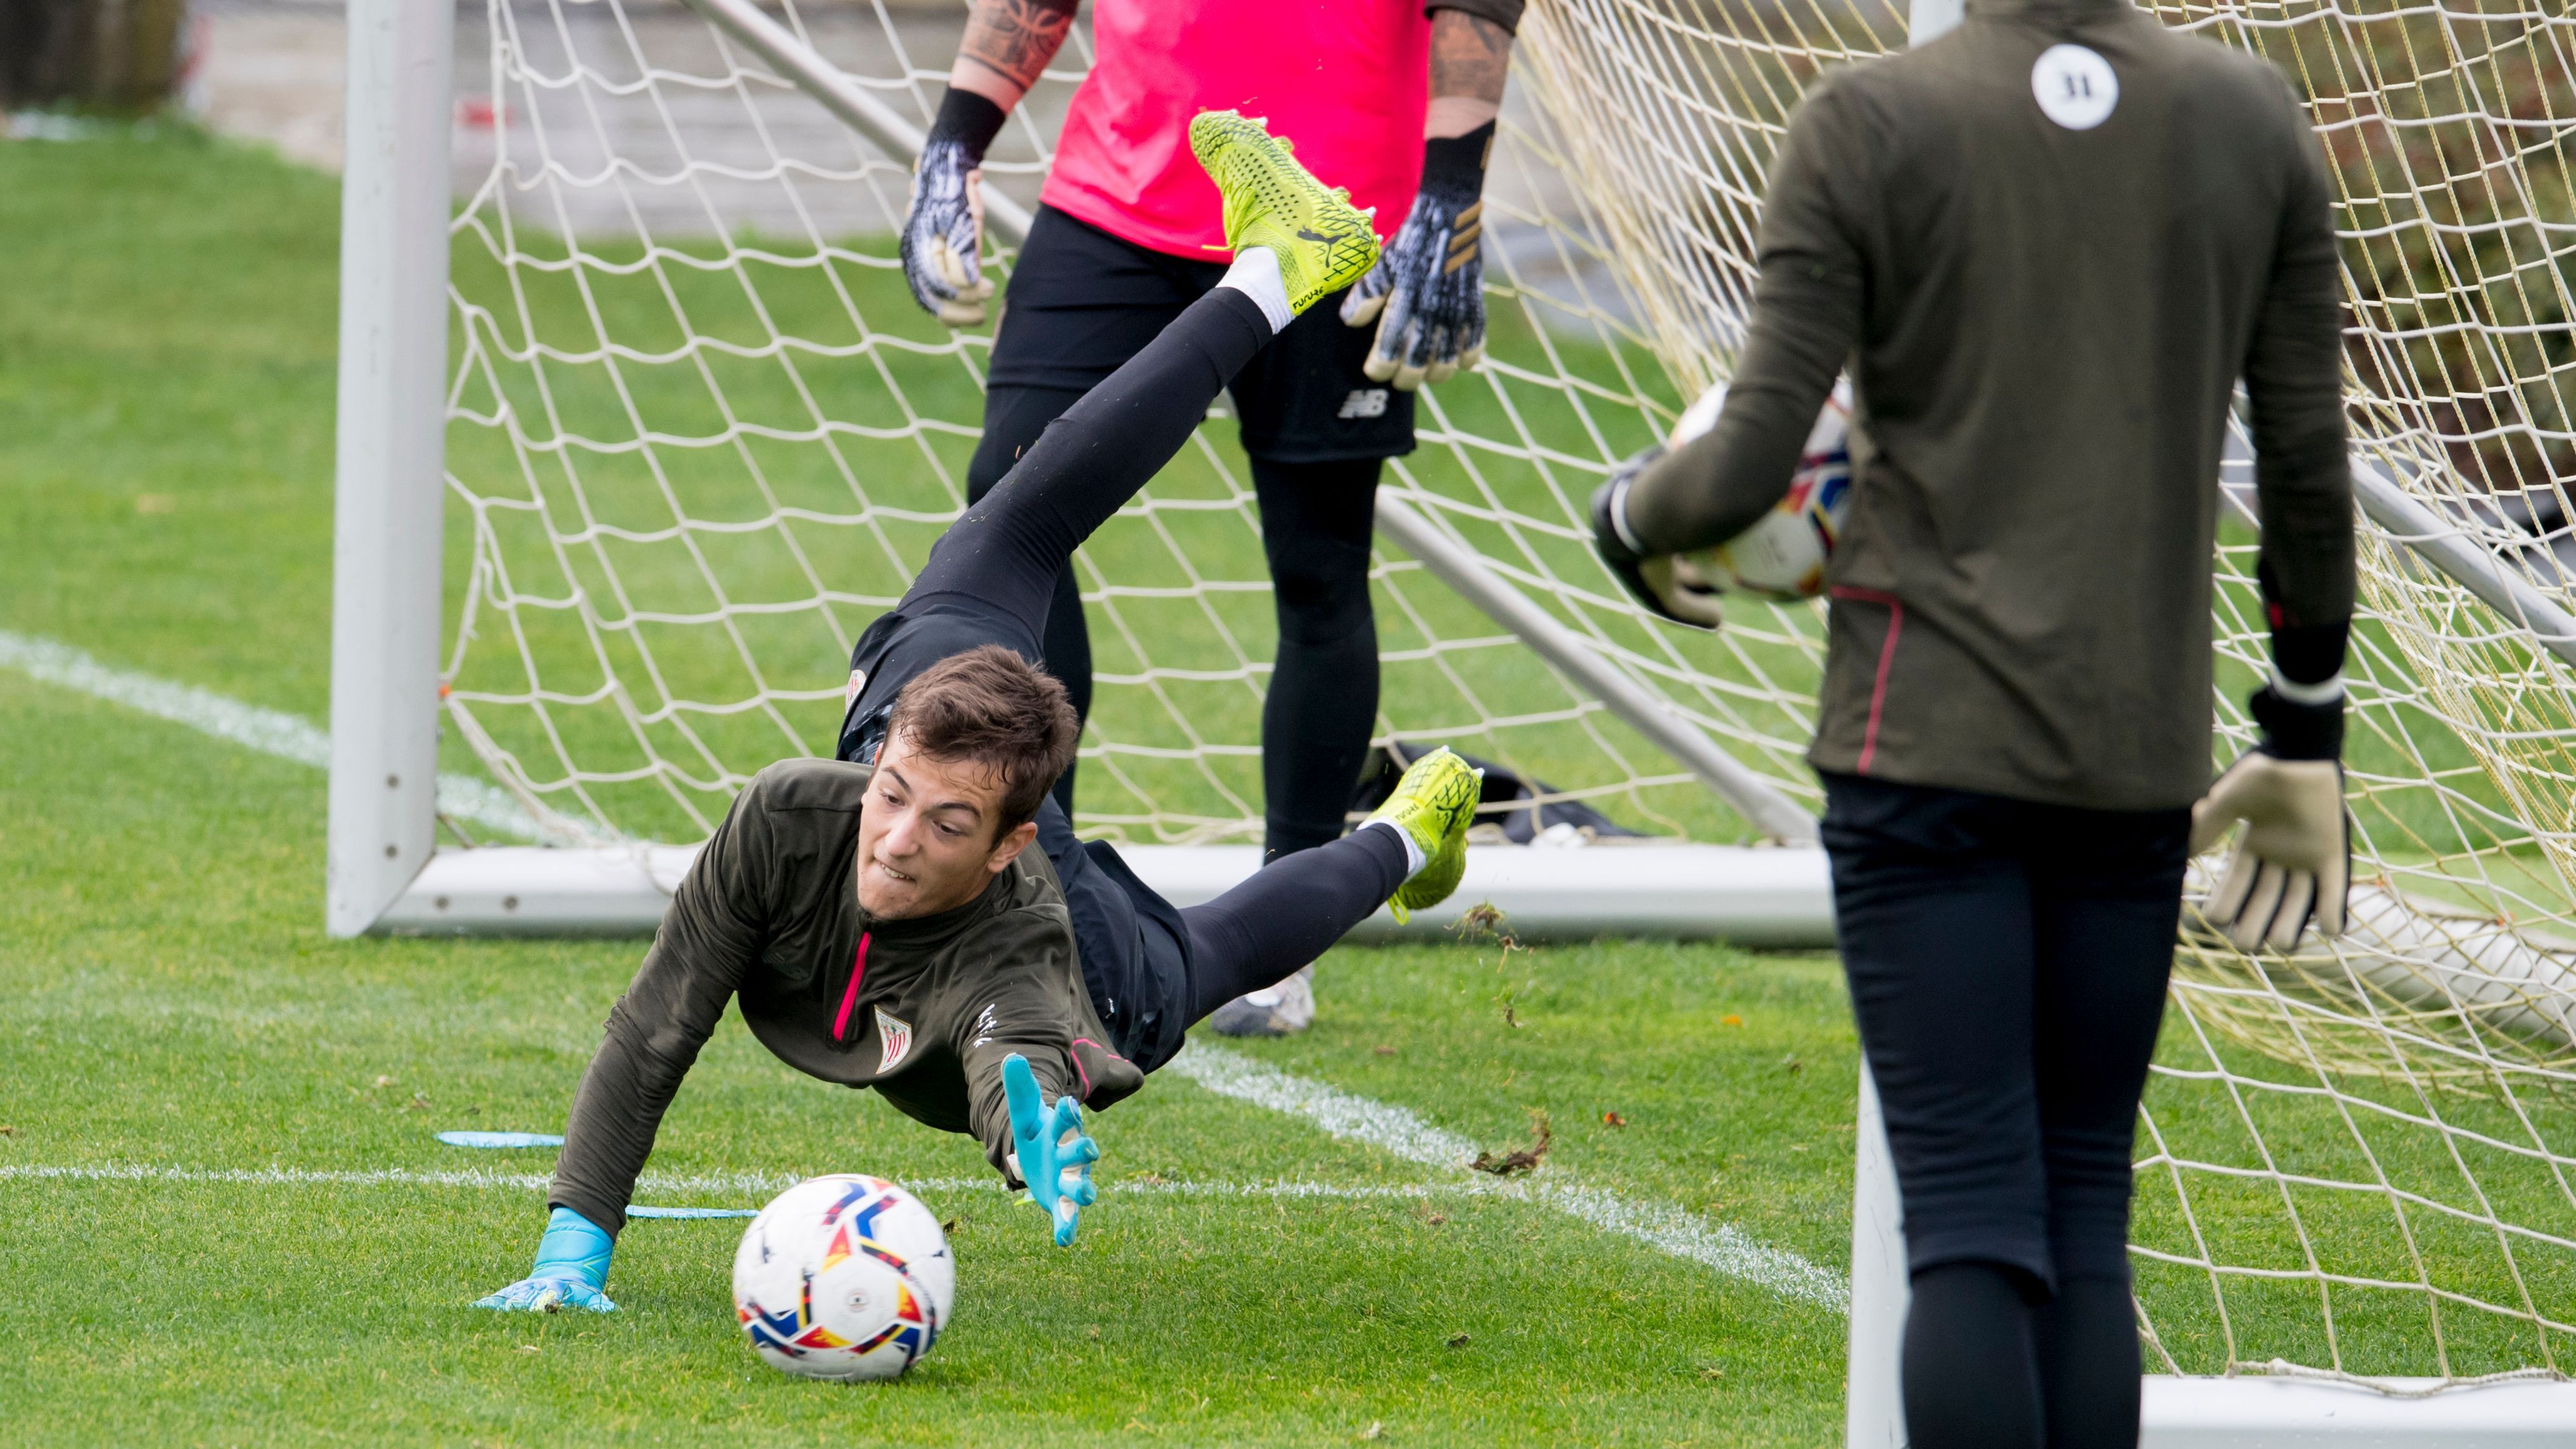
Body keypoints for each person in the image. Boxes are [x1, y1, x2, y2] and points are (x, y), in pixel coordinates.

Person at [472, 115, 1483, 1313]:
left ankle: (1416, 828)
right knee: (1006, 522)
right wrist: (571, 1249)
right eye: (892, 795)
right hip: (942, 724)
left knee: (1201, 960)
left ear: (1009, 840)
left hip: (1086, 980)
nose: (895, 838)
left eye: (943, 824)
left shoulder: (1019, 944)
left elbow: (1015, 1048)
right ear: (879, 749)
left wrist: (1036, 1126)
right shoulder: (800, 813)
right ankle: (1280, 265)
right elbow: (655, 1027)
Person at [1588, 5, 2352, 1447]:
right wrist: (2302, 724)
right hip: (2130, 757)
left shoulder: (1868, 117)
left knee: (1965, 1220)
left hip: (1914, 744)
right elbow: (2307, 462)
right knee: (2077, 1202)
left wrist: (1626, 518)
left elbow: (1745, 454)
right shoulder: (2250, 118)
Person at [897, 0, 1525, 1037]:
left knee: (1318, 571)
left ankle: (1286, 939)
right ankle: (1028, 901)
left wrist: (1452, 190)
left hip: (1342, 214)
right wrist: (953, 144)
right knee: (1007, 511)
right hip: (1115, 201)